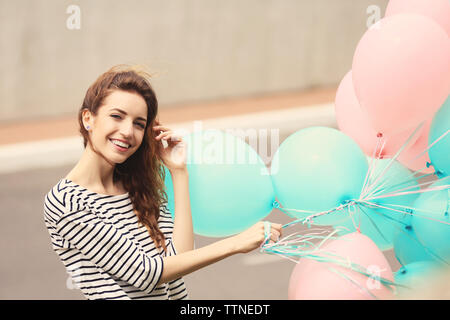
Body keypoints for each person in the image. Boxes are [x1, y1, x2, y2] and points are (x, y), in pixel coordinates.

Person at [43, 64, 282, 300]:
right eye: (117, 116)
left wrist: (178, 172)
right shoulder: (66, 202)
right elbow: (146, 274)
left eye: (139, 123)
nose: (128, 131)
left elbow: (180, 258)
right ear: (88, 118)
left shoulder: (138, 187)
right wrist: (236, 243)